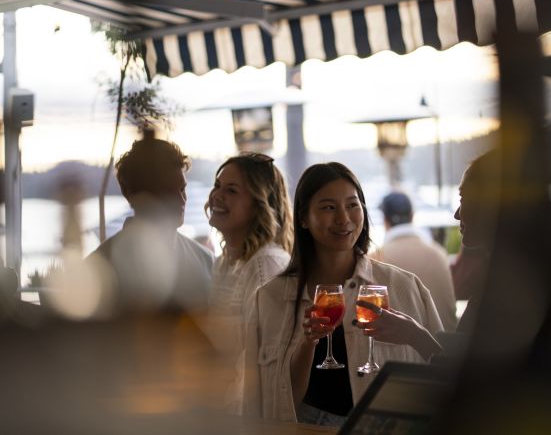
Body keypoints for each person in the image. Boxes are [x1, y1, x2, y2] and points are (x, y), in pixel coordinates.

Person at [243, 162, 443, 425]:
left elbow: (446, 378)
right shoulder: (269, 299)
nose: (343, 218)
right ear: (303, 217)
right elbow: (269, 404)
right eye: (328, 207)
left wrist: (415, 334)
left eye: (352, 205)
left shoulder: (405, 288)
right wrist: (308, 343)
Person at [84, 136, 213, 314]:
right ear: (131, 195)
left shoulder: (206, 261)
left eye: (182, 189)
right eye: (168, 190)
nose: (181, 200)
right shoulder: (98, 269)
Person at [205, 152, 293, 411]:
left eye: (231, 190)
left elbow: (265, 367)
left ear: (259, 204)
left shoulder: (266, 265)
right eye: (217, 186)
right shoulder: (224, 263)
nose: (216, 196)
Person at [372, 191, 457, 331]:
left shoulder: (375, 259)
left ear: (385, 220)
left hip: (405, 350)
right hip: (446, 345)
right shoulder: (439, 254)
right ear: (412, 215)